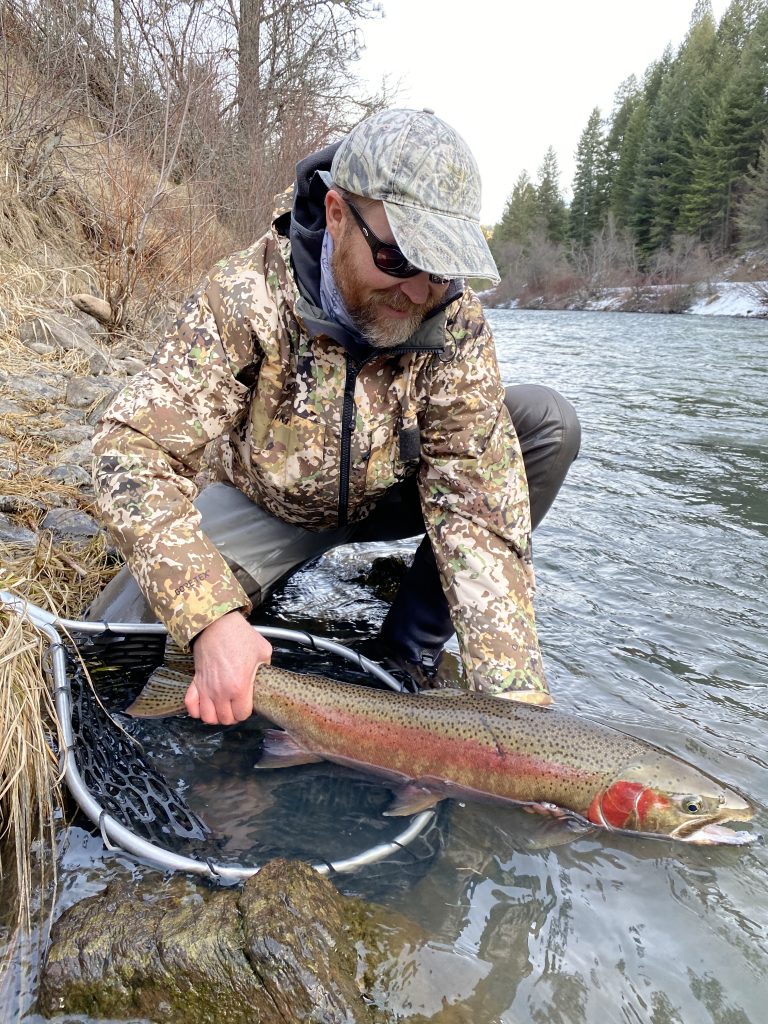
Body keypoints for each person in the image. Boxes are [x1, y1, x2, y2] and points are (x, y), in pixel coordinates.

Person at [89, 107, 581, 727]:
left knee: (545, 421)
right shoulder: (246, 295)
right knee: (118, 648)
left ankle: (407, 654)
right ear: (338, 216)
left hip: (392, 492)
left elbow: (480, 509)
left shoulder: (455, 320)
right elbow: (128, 452)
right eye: (399, 260)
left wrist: (515, 712)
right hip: (268, 503)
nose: (416, 292)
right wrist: (210, 617)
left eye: (440, 271)